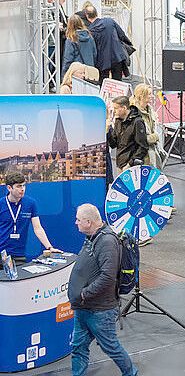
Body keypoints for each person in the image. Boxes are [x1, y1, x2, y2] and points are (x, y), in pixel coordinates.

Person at [68, 204, 138, 376]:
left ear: (89, 222)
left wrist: (85, 293)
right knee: (78, 347)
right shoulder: (92, 237)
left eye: (78, 220)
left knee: (111, 347)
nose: (75, 223)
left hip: (100, 310)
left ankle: (131, 373)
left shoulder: (107, 242)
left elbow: (108, 277)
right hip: (83, 307)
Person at [0, 172, 57, 259]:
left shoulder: (30, 203)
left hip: (19, 254)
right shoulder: (1, 204)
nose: (22, 189)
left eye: (23, 186)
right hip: (1, 253)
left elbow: (38, 228)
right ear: (9, 188)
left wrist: (49, 247)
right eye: (19, 186)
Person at [84, 6, 130, 83]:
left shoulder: (90, 31)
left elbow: (93, 48)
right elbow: (121, 35)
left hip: (102, 60)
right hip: (117, 56)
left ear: (87, 16)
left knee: (103, 83)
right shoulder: (110, 21)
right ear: (96, 13)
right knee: (118, 83)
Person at [107, 96, 148, 172]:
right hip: (120, 164)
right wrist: (108, 131)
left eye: (116, 108)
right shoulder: (118, 121)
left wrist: (130, 164)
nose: (114, 111)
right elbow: (113, 144)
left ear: (124, 108)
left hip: (132, 166)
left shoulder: (137, 122)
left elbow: (143, 147)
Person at [130, 84, 164, 168]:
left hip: (152, 151)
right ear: (141, 96)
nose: (152, 96)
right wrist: (155, 136)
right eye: (149, 94)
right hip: (140, 154)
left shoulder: (150, 110)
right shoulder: (134, 113)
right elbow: (142, 139)